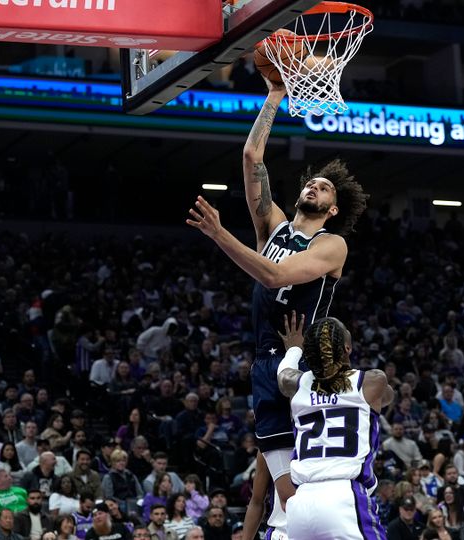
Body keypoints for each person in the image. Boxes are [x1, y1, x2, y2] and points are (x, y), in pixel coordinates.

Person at [185, 72, 368, 526]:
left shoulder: (331, 246)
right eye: (312, 182)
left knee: (304, 490)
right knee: (285, 494)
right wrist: (275, 95)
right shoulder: (275, 226)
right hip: (264, 363)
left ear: (333, 208)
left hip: (303, 364)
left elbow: (273, 275)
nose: (315, 187)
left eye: (325, 188)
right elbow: (251, 157)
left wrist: (219, 233)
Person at [274, 315, 393, 540]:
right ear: (347, 348)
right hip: (343, 496)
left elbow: (282, 376)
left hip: (300, 503)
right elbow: (387, 396)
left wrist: (293, 349)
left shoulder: (296, 384)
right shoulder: (371, 381)